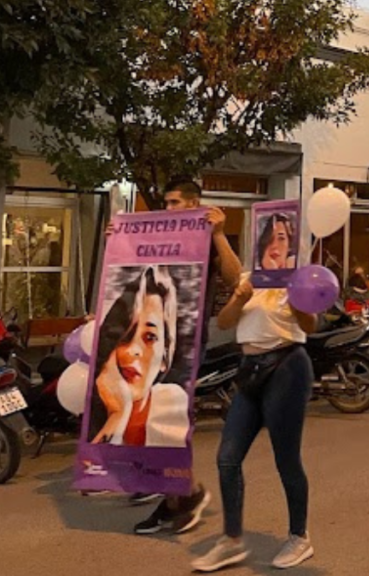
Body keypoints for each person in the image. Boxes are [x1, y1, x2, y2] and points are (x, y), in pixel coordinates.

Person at [132, 179, 242, 534]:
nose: (168, 208)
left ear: (194, 204)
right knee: (151, 417)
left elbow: (235, 277)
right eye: (165, 203)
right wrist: (118, 242)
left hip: (185, 343)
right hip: (150, 342)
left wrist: (219, 235)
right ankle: (176, 491)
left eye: (174, 202)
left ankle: (183, 496)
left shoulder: (207, 239)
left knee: (170, 417)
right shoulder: (160, 238)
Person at [191, 273, 319, 572]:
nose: (275, 250)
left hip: (287, 367)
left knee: (286, 459)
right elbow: (225, 322)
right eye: (270, 246)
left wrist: (296, 298)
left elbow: (311, 325)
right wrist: (240, 297)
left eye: (281, 245)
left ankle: (299, 537)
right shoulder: (249, 277)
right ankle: (232, 540)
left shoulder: (297, 277)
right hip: (250, 369)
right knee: (227, 458)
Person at [89, 266, 186, 447]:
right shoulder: (90, 400)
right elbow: (91, 463)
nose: (133, 350)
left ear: (165, 357)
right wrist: (118, 414)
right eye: (124, 336)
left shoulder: (170, 402)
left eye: (150, 337)